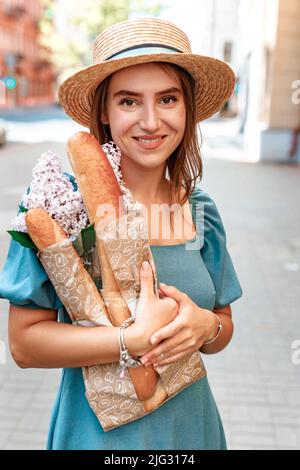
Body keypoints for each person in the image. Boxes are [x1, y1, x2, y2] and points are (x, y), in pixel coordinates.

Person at [0, 18, 242, 450]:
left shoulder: (201, 210)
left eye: (167, 98)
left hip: (190, 431)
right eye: (129, 101)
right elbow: (23, 345)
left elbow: (222, 327)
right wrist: (129, 340)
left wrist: (205, 328)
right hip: (96, 438)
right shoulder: (58, 206)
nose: (151, 121)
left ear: (186, 109)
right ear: (105, 114)